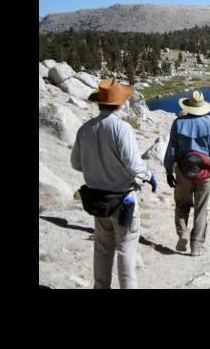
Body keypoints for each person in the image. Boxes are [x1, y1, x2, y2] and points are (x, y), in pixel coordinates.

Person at [70, 78, 157, 289]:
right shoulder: (122, 128)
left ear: (99, 102)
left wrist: (97, 169)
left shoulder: (85, 128)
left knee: (102, 247)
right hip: (122, 198)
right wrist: (149, 176)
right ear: (120, 103)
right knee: (126, 248)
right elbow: (133, 163)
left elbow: (75, 163)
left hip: (97, 199)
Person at [164, 90, 210, 256]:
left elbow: (172, 149)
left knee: (182, 204)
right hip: (204, 174)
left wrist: (169, 170)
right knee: (201, 209)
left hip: (183, 171)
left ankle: (182, 233)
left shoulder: (178, 123)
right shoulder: (208, 124)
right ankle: (196, 246)